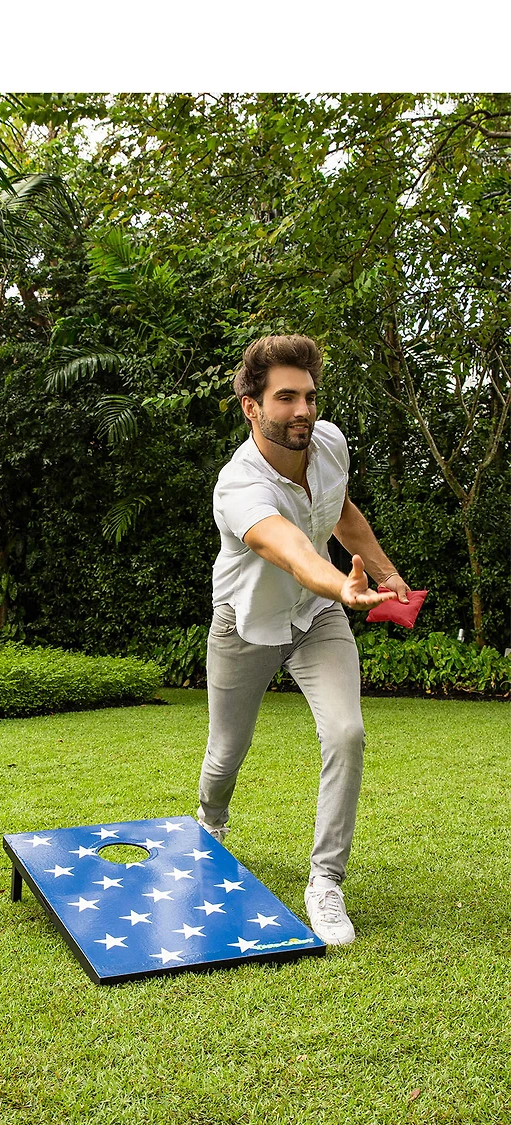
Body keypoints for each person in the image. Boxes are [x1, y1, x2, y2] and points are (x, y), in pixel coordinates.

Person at [197, 335, 409, 946]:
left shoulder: (330, 444)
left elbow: (341, 513)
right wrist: (341, 585)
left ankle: (325, 882)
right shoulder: (238, 485)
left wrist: (384, 571)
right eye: (285, 397)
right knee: (224, 754)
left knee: (347, 731)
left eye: (308, 396)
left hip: (318, 616)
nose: (302, 410)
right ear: (251, 407)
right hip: (248, 624)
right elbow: (288, 550)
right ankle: (209, 829)